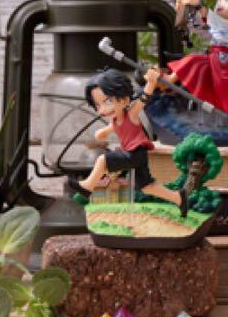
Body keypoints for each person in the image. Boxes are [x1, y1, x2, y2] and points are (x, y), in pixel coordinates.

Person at [78, 67, 191, 214]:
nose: (103, 109)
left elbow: (144, 98)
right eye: (98, 105)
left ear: (124, 99)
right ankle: (178, 198)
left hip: (136, 153)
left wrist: (151, 82)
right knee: (147, 187)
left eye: (108, 101)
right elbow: (111, 128)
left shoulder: (131, 113)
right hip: (134, 154)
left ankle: (87, 187)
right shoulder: (115, 120)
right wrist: (102, 132)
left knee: (102, 160)